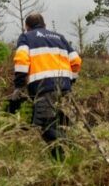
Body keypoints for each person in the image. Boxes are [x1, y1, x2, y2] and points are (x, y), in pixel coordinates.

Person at [11, 13, 82, 160]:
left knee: (45, 123)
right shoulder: (59, 37)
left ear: (27, 26)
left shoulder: (26, 37)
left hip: (43, 87)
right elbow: (76, 61)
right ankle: (72, 146)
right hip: (63, 86)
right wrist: (71, 81)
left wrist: (18, 86)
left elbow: (21, 61)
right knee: (57, 116)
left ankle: (65, 155)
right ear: (44, 25)